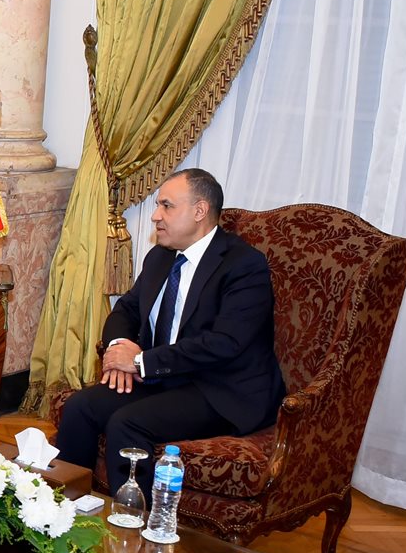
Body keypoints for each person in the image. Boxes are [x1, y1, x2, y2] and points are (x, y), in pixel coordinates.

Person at [54, 168, 285, 495]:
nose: (155, 216)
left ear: (199, 211)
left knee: (127, 423)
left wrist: (141, 362)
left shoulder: (243, 265)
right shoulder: (161, 257)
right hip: (164, 378)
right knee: (81, 407)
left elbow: (225, 343)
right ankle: (67, 507)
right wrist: (119, 348)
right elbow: (127, 309)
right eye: (158, 206)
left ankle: (134, 519)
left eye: (167, 206)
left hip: (218, 388)